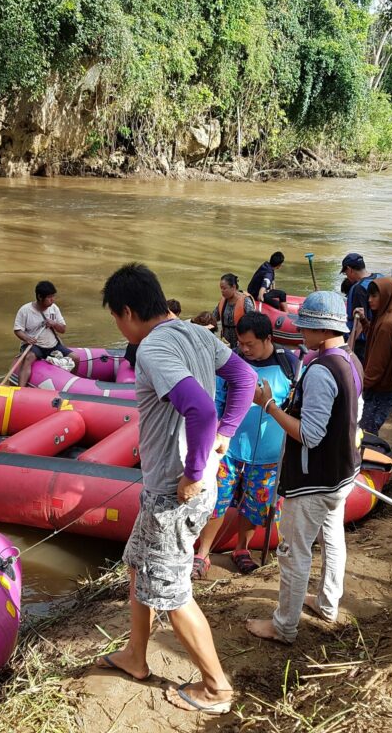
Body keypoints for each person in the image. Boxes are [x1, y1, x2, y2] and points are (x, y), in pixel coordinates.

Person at [96, 263, 255, 715]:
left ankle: (217, 688)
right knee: (137, 565)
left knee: (172, 592)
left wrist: (194, 467)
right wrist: (227, 435)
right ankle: (135, 656)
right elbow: (245, 380)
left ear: (127, 311)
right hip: (170, 490)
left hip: (175, 492)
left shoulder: (151, 349)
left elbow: (201, 410)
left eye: (115, 317)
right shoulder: (195, 333)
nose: (118, 327)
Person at [245, 290, 363, 644]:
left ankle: (283, 626)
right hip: (342, 474)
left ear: (321, 331)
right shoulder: (350, 361)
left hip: (314, 481)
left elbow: (309, 435)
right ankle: (328, 603)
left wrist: (268, 406)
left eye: (306, 328)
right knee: (331, 539)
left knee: (293, 555)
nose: (300, 333)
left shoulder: (320, 371)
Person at [193, 312, 300, 577]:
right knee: (216, 501)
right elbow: (217, 400)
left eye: (250, 344)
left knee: (256, 506)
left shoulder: (292, 367)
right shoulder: (232, 365)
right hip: (229, 450)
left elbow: (298, 410)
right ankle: (202, 554)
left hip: (269, 454)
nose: (245, 349)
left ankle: (242, 548)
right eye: (241, 343)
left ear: (267, 338)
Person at [356, 277, 392, 434]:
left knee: (366, 432)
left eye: (374, 296)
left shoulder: (387, 325)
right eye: (368, 296)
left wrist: (357, 387)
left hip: (380, 389)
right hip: (388, 386)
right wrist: (364, 321)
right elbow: (374, 337)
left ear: (385, 295)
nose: (370, 300)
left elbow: (377, 365)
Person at [11, 281, 80, 387]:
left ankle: (71, 386)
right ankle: (21, 389)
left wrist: (54, 324)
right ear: (39, 297)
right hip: (35, 345)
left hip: (52, 345)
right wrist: (27, 338)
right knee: (29, 358)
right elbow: (17, 330)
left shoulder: (54, 308)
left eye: (53, 296)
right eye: (49, 297)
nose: (52, 300)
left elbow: (63, 329)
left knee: (75, 358)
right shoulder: (25, 310)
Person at [342, 253, 383, 363]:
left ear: (350, 269)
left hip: (363, 341)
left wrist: (349, 345)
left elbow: (359, 320)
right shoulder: (381, 278)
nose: (347, 276)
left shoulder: (359, 289)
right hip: (381, 334)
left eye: (346, 273)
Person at [212, 273, 256, 350]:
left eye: (224, 288)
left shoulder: (246, 301)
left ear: (233, 287)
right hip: (226, 343)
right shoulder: (223, 301)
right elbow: (213, 318)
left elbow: (253, 323)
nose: (222, 291)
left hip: (242, 343)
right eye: (221, 288)